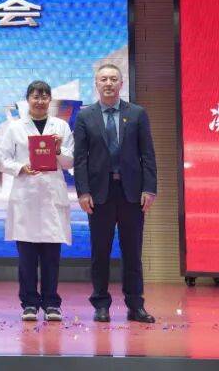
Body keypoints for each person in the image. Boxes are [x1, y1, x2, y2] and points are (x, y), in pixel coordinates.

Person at [73, 64, 157, 323]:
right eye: (103, 79)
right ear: (96, 84)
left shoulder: (137, 113)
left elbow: (147, 154)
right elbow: (80, 158)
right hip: (100, 194)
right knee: (100, 252)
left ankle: (135, 305)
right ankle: (101, 304)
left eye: (113, 79)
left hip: (131, 193)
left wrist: (149, 188)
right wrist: (83, 192)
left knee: (132, 252)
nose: (108, 83)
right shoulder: (85, 116)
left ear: (121, 84)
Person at [0, 81, 74, 322]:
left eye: (44, 97)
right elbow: (2, 159)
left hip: (52, 197)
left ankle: (52, 303)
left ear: (50, 100)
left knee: (52, 256)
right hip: (26, 197)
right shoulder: (15, 128)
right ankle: (29, 303)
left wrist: (58, 150)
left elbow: (71, 161)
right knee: (27, 258)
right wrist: (20, 167)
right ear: (28, 99)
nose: (40, 101)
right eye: (35, 96)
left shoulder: (61, 127)